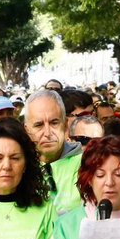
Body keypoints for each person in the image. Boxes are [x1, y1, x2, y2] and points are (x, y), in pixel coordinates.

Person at [23, 90, 85, 218]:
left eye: (54, 123)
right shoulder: (18, 168)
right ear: (27, 130)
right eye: (38, 125)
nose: (47, 133)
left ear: (65, 124)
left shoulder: (87, 164)